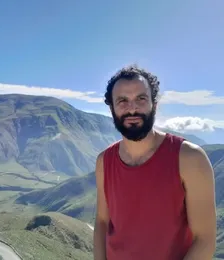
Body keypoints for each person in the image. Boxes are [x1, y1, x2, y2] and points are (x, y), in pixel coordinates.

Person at [93, 65, 217, 260]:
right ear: (112, 108)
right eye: (122, 101)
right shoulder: (104, 162)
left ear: (154, 105)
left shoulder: (190, 159)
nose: (132, 108)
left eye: (141, 99)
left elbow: (205, 240)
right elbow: (102, 221)